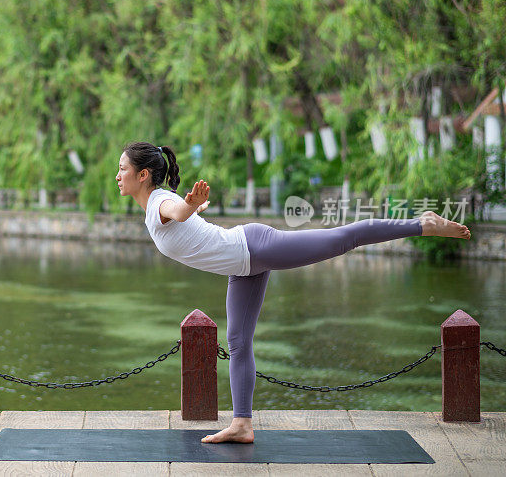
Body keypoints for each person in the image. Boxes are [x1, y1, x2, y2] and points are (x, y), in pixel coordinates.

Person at [115, 141, 471, 444]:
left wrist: (190, 206)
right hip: (242, 267)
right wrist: (196, 207)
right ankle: (242, 424)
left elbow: (177, 211)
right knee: (238, 342)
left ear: (142, 174)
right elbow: (184, 214)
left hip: (254, 247)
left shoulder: (162, 202)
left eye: (122, 169)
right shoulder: (156, 205)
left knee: (344, 238)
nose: (118, 176)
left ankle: (423, 224)